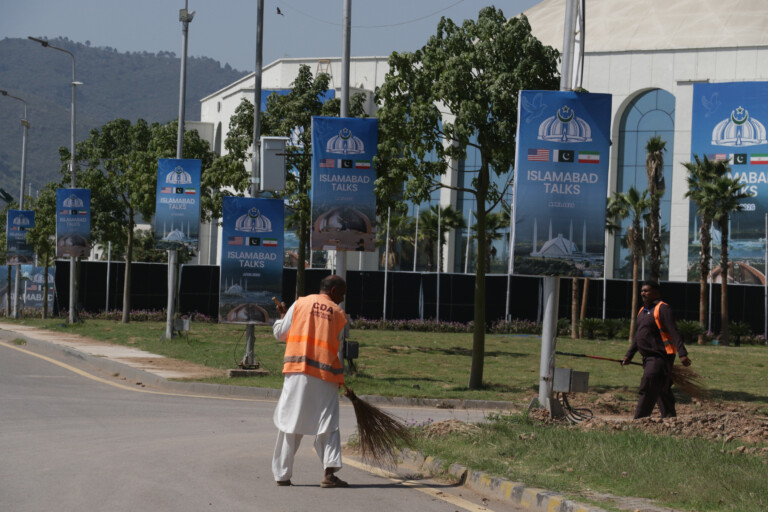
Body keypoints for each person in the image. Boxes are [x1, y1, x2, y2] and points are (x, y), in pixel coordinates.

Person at [271, 275, 349, 488]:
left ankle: (282, 475)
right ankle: (329, 474)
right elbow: (338, 346)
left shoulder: (300, 303)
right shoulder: (339, 314)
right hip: (325, 376)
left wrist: (282, 317)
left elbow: (280, 334)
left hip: (296, 372)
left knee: (290, 423)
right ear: (333, 291)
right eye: (341, 293)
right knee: (328, 424)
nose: (342, 298)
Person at [622, 280, 692, 419]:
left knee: (648, 386)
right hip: (647, 358)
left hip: (660, 357)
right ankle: (671, 419)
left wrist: (682, 354)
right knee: (661, 389)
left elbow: (674, 331)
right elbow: (638, 336)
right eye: (642, 290)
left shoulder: (663, 308)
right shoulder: (642, 311)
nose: (643, 293)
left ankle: (640, 420)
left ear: (655, 292)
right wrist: (628, 355)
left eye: (646, 290)